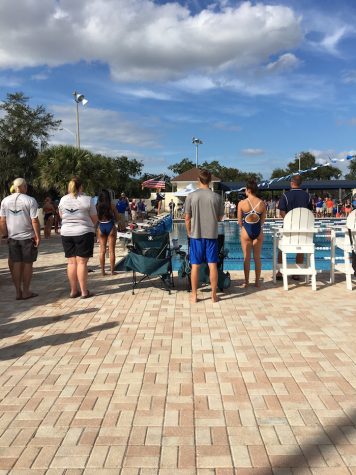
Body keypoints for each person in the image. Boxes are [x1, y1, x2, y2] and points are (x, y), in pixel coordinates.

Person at [185, 169, 224, 303]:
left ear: (198, 180)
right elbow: (219, 218)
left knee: (195, 265)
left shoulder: (191, 196)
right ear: (210, 180)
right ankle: (213, 295)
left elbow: (187, 218)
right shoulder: (217, 197)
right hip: (212, 235)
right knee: (212, 265)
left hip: (196, 235)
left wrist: (189, 232)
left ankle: (195, 295)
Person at [0, 178, 41, 300]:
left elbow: (2, 220)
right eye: (26, 186)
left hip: (13, 237)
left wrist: (5, 235)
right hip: (27, 237)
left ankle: (18, 292)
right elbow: (34, 220)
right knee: (28, 263)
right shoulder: (30, 200)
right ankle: (26, 291)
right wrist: (38, 236)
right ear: (23, 186)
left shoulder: (5, 201)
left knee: (16, 264)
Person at [58, 177, 98, 298]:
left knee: (71, 262)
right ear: (81, 187)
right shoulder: (87, 199)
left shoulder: (63, 199)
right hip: (84, 232)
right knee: (82, 263)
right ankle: (84, 291)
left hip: (66, 233)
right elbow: (94, 218)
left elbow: (61, 215)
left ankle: (73, 291)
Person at [276, 175, 313, 280]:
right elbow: (309, 212)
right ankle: (297, 272)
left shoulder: (286, 196)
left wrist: (288, 220)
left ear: (292, 183)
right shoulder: (307, 196)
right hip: (303, 229)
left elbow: (281, 212)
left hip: (288, 228)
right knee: (300, 246)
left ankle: (279, 272)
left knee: (281, 247)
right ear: (300, 183)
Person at [237, 180, 266, 288]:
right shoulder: (262, 203)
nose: (245, 191)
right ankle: (257, 282)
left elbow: (240, 221)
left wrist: (244, 228)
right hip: (258, 231)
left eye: (245, 189)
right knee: (257, 258)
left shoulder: (241, 203)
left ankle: (246, 282)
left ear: (248, 190)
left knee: (246, 258)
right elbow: (263, 221)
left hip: (246, 231)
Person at [96, 189, 119, 276]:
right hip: (110, 226)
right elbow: (117, 218)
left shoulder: (97, 206)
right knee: (112, 251)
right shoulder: (111, 205)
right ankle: (112, 271)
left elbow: (96, 218)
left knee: (102, 250)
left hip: (101, 226)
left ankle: (102, 271)